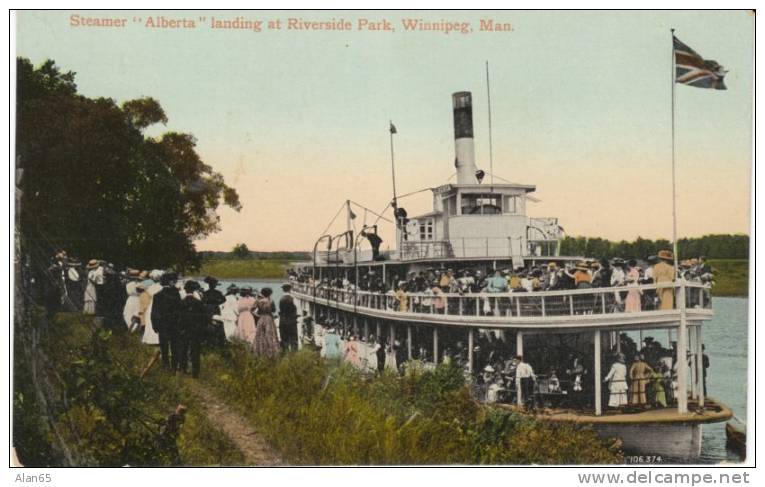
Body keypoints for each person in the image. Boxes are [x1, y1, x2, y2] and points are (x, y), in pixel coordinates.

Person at [151, 272, 181, 369]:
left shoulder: (158, 295)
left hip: (162, 324)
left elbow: (154, 312)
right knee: (174, 347)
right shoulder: (176, 295)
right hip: (174, 324)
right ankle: (174, 366)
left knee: (164, 347)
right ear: (171, 282)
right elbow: (180, 311)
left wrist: (155, 326)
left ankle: (165, 365)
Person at [177, 280, 207, 378]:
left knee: (183, 349)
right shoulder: (198, 303)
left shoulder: (181, 303)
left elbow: (178, 318)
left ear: (185, 290)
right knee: (195, 351)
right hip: (195, 330)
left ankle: (183, 369)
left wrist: (180, 328)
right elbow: (203, 319)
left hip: (184, 330)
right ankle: (195, 372)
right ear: (194, 290)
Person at [253, 287, 280, 358]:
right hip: (269, 318)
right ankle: (271, 352)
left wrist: (258, 315)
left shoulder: (258, 301)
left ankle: (260, 351)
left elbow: (252, 310)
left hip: (261, 318)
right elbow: (274, 310)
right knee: (270, 335)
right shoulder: (271, 301)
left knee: (260, 335)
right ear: (269, 294)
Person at [202, 276, 226, 347]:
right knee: (218, 323)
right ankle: (219, 342)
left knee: (208, 322)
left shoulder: (205, 293)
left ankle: (208, 341)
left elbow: (203, 300)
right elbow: (224, 300)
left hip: (208, 308)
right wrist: (217, 302)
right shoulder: (218, 293)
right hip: (215, 308)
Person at [141, 271, 163, 346]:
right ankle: (157, 339)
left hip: (151, 305)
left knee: (150, 321)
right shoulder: (161, 287)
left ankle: (151, 339)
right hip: (158, 305)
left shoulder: (150, 287)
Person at [278, 284, 299, 351]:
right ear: (290, 290)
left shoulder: (281, 299)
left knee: (284, 338)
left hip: (283, 320)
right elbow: (296, 310)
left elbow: (281, 310)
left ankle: (285, 352)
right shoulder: (293, 299)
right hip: (292, 321)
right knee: (293, 338)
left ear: (283, 289)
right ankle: (294, 354)